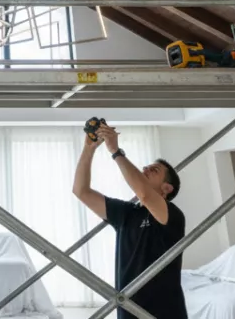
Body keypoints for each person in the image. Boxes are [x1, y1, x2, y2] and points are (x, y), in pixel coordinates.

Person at [72, 122, 186, 319]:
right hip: (128, 309)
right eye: (147, 167)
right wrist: (89, 148)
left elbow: (145, 195)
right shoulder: (127, 213)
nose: (145, 169)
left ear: (167, 188)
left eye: (154, 170)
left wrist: (115, 151)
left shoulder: (173, 215)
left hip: (164, 313)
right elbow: (81, 191)